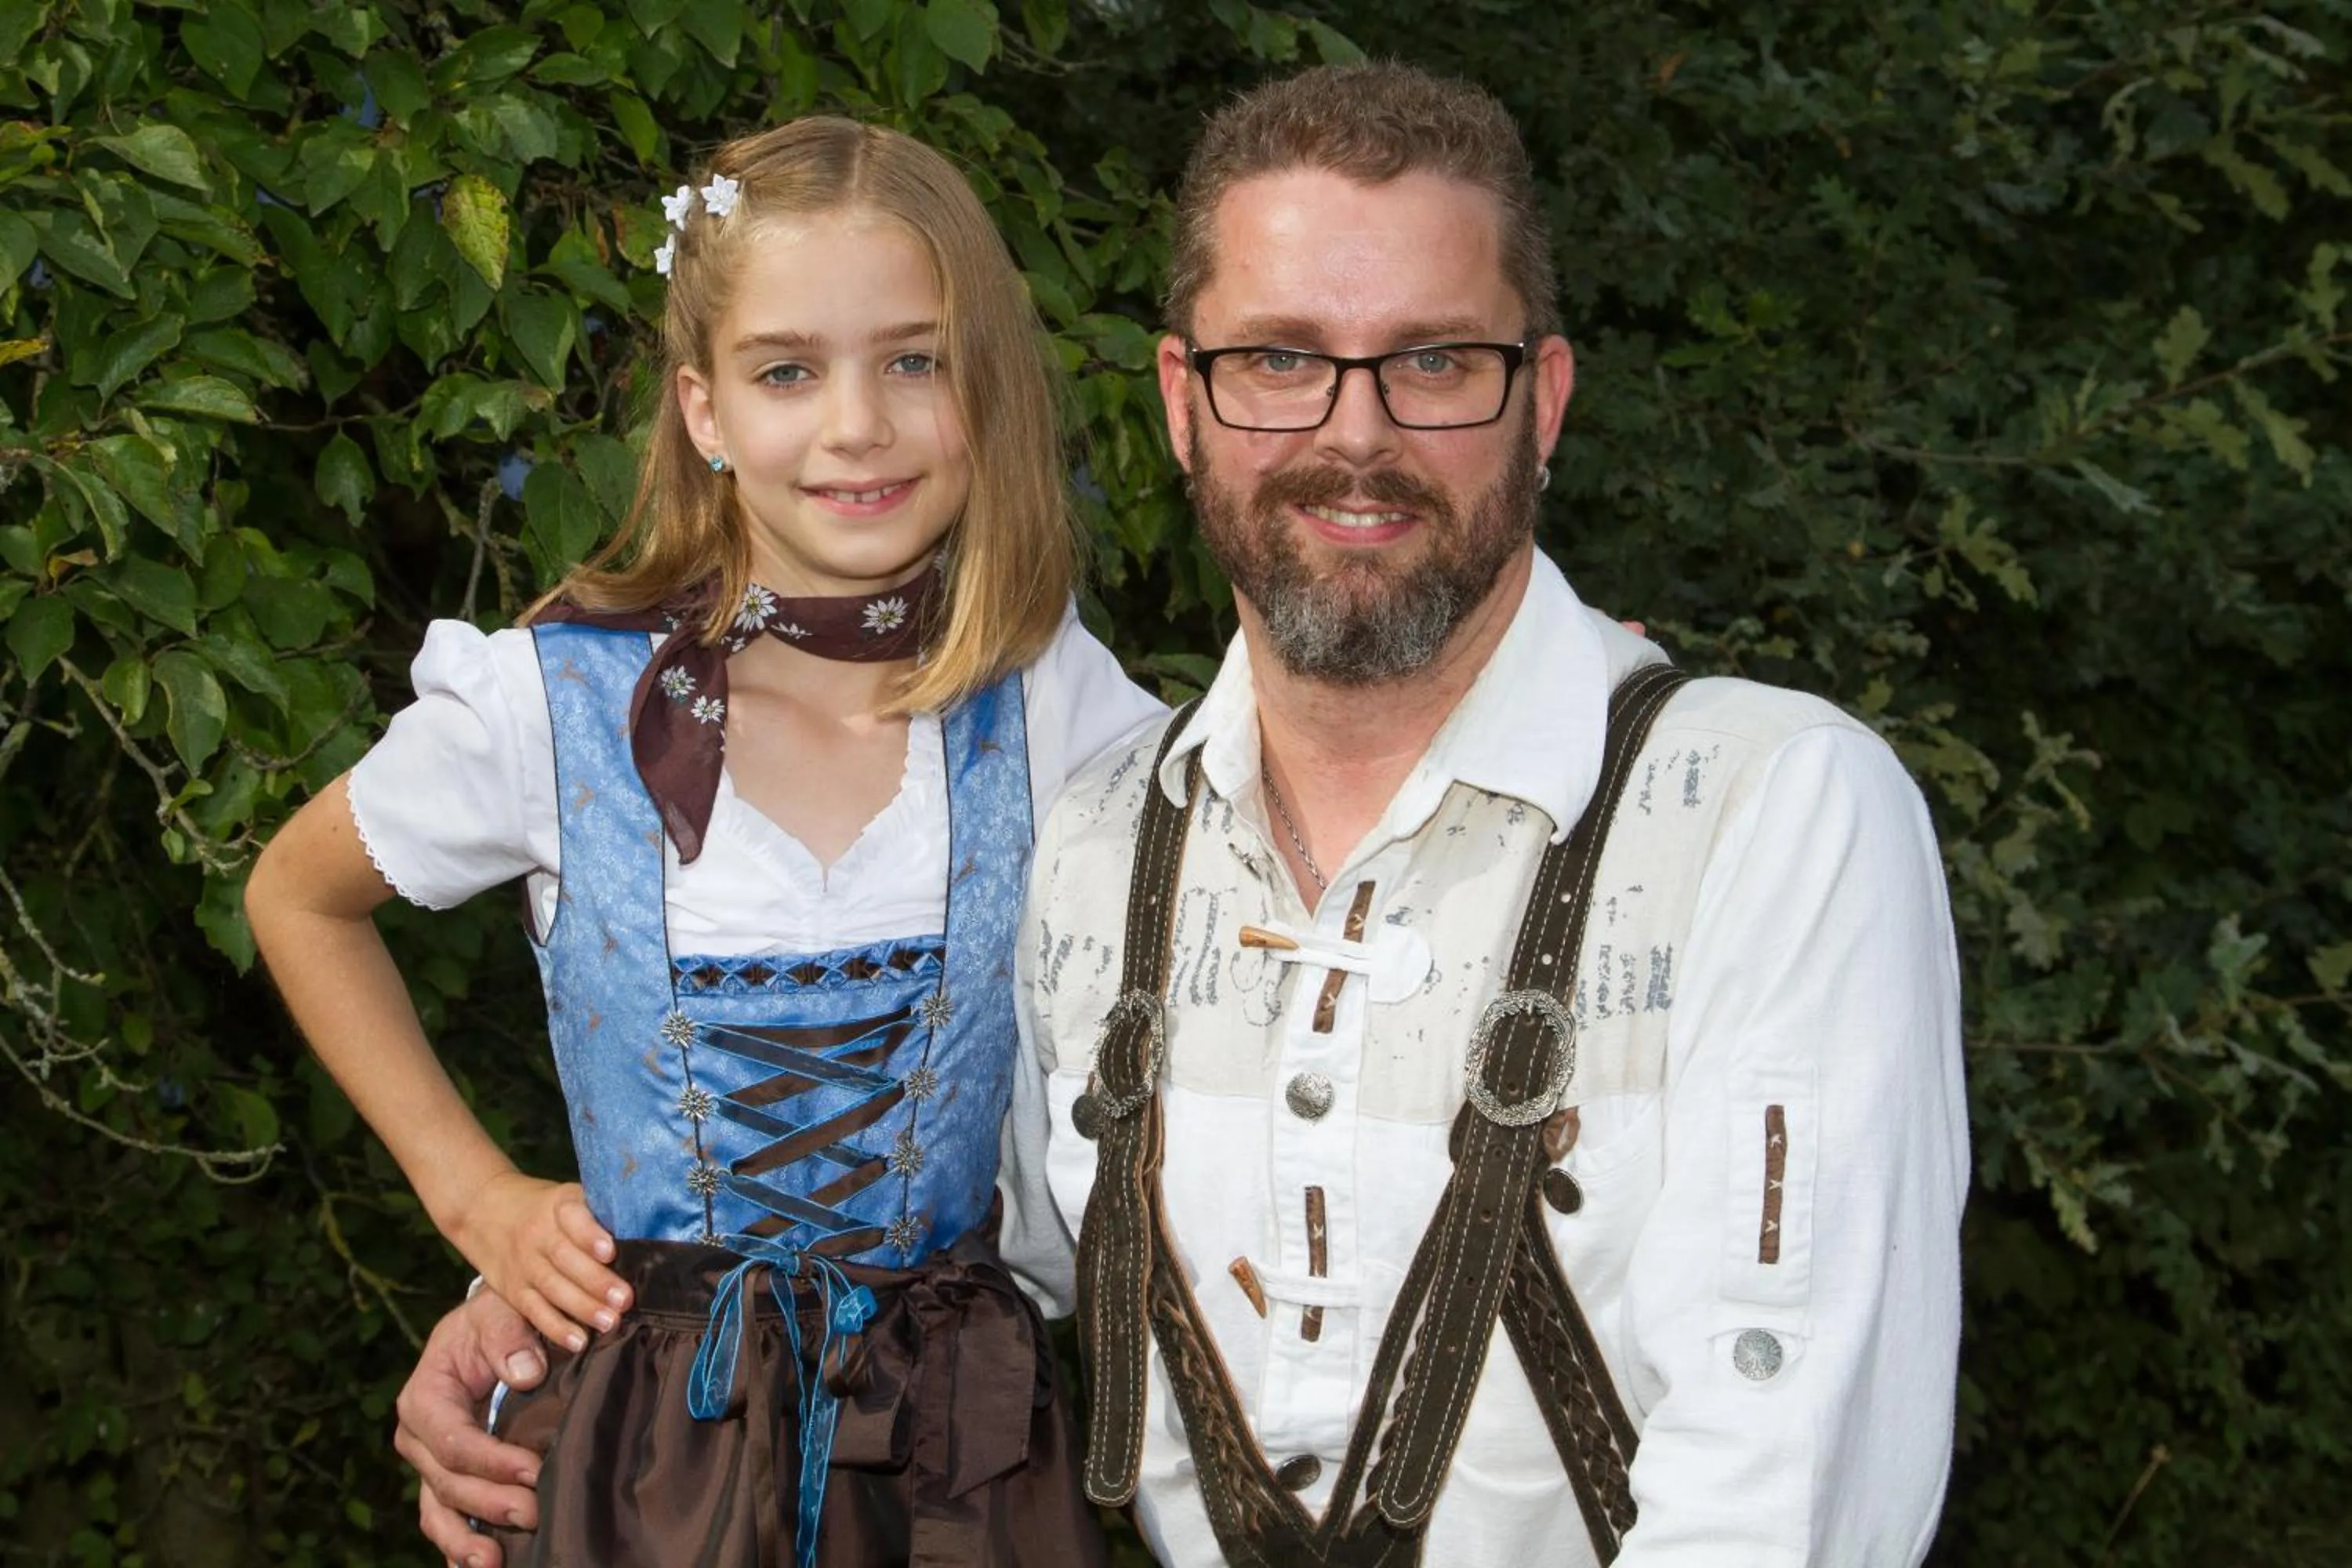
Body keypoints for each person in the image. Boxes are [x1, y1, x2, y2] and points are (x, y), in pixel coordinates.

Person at [993, 62, 1969, 1566]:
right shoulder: (1095, 846)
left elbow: (1786, 1497)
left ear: (1546, 401)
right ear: (1185, 405)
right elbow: (952, 1286)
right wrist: (543, 1333)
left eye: (1436, 362)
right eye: (1281, 360)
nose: (1356, 434)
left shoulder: (1774, 816)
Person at [247, 116, 1159, 1568]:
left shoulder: (1050, 699)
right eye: (788, 370)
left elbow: (1281, 817)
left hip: (957, 1466)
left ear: (985, 392)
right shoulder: (552, 704)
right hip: (641, 1460)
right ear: (705, 410)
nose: (856, 422)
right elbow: (297, 895)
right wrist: (476, 1197)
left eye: (914, 360)